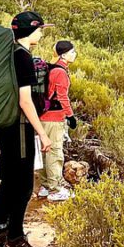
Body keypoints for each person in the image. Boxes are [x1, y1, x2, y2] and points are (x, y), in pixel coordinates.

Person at [0, 10, 53, 247]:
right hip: (20, 128)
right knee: (23, 185)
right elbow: (26, 101)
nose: (41, 33)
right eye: (40, 29)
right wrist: (43, 134)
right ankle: (15, 241)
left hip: (5, 126)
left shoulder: (8, 54)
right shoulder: (23, 57)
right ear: (30, 31)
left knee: (8, 180)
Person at [38, 40, 77, 201]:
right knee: (54, 151)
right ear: (64, 54)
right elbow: (62, 97)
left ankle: (45, 186)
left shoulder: (52, 68)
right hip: (54, 119)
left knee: (45, 152)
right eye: (72, 52)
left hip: (43, 117)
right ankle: (54, 190)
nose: (75, 54)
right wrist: (70, 116)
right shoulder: (60, 72)